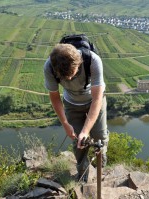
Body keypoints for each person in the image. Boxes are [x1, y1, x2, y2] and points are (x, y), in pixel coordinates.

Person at [43, 43, 109, 182]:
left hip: (94, 101)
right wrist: (65, 123)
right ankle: (82, 174)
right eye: (65, 78)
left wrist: (86, 130)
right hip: (72, 104)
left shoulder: (93, 61)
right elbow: (54, 96)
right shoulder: (49, 67)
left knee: (99, 137)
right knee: (78, 142)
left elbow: (97, 99)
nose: (69, 80)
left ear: (79, 63)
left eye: (72, 75)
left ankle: (101, 167)